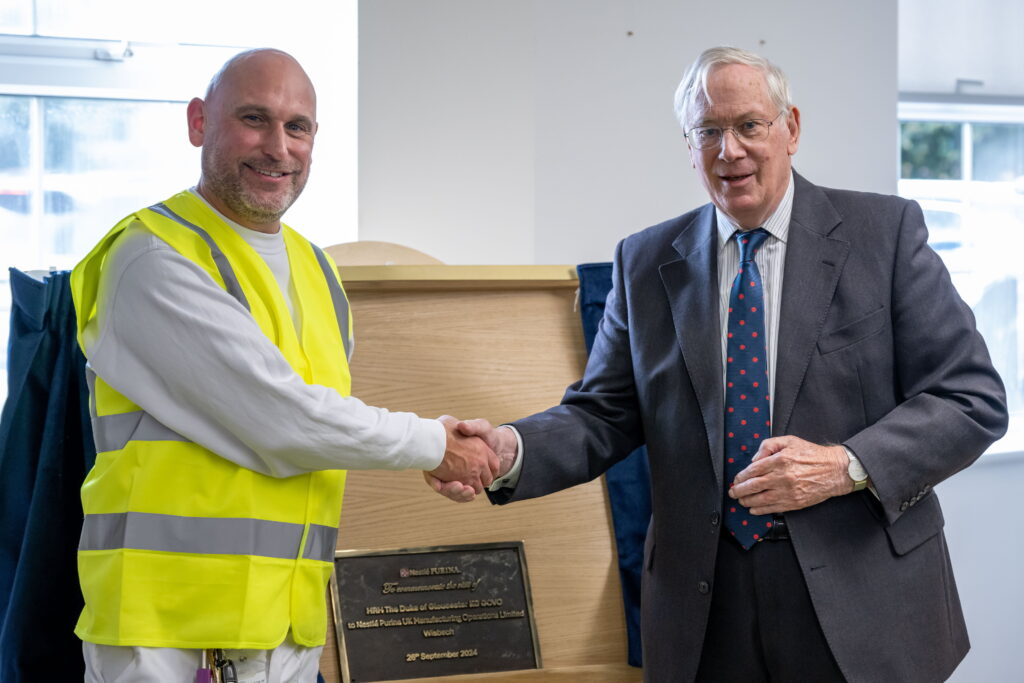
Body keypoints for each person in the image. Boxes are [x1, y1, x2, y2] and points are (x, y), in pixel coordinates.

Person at [428, 46, 1008, 682]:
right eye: (708, 131)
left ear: (790, 128)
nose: (728, 150)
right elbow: (602, 414)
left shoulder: (885, 233)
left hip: (862, 599)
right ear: (688, 143)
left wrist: (846, 465)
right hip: (703, 611)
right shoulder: (644, 261)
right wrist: (508, 450)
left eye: (748, 126)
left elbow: (970, 398)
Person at [70, 49, 498, 682]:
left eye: (298, 127)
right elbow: (282, 420)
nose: (279, 147)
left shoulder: (316, 269)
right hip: (166, 636)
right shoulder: (151, 257)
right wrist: (435, 444)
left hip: (285, 630)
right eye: (254, 119)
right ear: (198, 124)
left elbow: (327, 427)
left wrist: (431, 458)